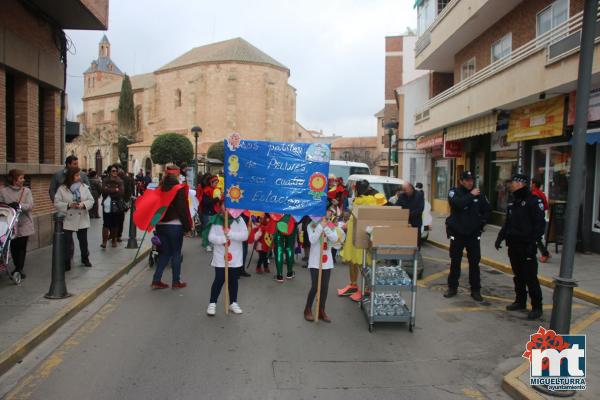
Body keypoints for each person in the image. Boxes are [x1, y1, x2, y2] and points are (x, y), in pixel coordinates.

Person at [495, 174, 546, 320]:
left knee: (530, 277)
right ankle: (520, 301)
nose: (511, 185)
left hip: (527, 246)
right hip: (514, 245)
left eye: (514, 182)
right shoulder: (513, 201)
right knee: (518, 276)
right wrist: (500, 237)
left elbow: (540, 225)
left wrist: (532, 243)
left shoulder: (534, 201)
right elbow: (508, 223)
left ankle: (537, 307)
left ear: (521, 183)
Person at [444, 171, 491, 302]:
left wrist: (482, 222)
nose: (470, 182)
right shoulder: (454, 192)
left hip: (473, 235)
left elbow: (487, 210)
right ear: (461, 181)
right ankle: (452, 287)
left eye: (472, 180)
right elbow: (458, 204)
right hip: (457, 234)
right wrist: (471, 195)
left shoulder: (479, 194)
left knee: (474, 263)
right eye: (467, 180)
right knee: (455, 262)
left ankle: (475, 290)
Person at [151, 165, 193, 290]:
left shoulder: (159, 188)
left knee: (164, 253)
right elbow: (182, 209)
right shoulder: (178, 188)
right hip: (175, 225)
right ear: (177, 174)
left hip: (160, 224)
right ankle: (176, 281)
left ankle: (156, 280)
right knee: (176, 253)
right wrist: (187, 227)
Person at [338, 180, 377, 301]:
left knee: (361, 262)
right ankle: (354, 285)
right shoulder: (369, 200)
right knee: (356, 261)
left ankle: (365, 289)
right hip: (357, 235)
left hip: (361, 236)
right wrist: (348, 223)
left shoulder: (365, 201)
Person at [206, 208, 249, 315]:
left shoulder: (239, 220)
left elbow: (245, 236)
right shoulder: (216, 219)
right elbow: (210, 237)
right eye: (224, 206)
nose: (226, 209)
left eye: (229, 207)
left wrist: (230, 234)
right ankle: (212, 303)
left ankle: (233, 302)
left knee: (233, 279)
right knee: (219, 279)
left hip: (235, 256)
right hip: (220, 256)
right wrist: (222, 239)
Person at [54, 167, 94, 269]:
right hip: (68, 218)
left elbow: (91, 200)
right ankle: (67, 262)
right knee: (67, 242)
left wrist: (82, 205)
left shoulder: (84, 187)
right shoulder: (62, 189)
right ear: (70, 177)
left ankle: (85, 258)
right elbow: (57, 202)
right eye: (76, 175)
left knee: (83, 241)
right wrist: (68, 205)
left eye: (79, 175)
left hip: (82, 217)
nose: (79, 177)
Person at [304, 216, 339, 322]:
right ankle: (308, 309)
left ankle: (321, 310)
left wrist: (326, 227)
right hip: (315, 261)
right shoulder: (311, 225)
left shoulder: (331, 225)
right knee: (315, 286)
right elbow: (312, 240)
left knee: (324, 287)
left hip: (327, 262)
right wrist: (320, 227)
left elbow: (334, 238)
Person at [0, 169, 34, 279]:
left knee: (22, 246)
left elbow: (30, 206)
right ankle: (17, 266)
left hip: (24, 222)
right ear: (14, 179)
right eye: (21, 178)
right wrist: (9, 206)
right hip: (10, 224)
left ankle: (19, 269)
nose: (23, 180)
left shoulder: (26, 191)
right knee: (14, 246)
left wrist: (19, 206)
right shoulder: (3, 191)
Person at [394, 182, 425, 249]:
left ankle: (416, 255)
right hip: (405, 222)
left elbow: (420, 209)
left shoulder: (419, 195)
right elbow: (397, 207)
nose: (404, 191)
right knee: (405, 241)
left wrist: (408, 214)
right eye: (403, 190)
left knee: (416, 241)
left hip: (416, 222)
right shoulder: (402, 196)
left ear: (411, 188)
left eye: (405, 190)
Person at [101, 165, 124, 248]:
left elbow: (121, 193)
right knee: (106, 223)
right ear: (109, 172)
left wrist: (109, 190)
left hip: (116, 204)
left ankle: (114, 240)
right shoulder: (105, 180)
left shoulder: (120, 181)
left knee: (115, 223)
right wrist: (115, 190)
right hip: (107, 204)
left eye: (116, 171)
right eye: (113, 171)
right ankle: (104, 242)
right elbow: (103, 190)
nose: (114, 172)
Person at [530, 178, 551, 263]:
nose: (530, 185)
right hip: (540, 218)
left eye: (531, 183)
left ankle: (545, 254)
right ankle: (546, 253)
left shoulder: (534, 194)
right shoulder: (541, 194)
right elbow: (546, 206)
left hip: (536, 220)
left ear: (534, 184)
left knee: (536, 238)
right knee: (537, 237)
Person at [273, 214, 297, 282]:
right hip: (292, 221)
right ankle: (289, 273)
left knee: (279, 248)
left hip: (278, 220)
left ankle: (279, 275)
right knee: (289, 248)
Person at [117, 168, 134, 242]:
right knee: (120, 219)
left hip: (117, 201)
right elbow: (130, 190)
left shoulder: (114, 178)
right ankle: (118, 235)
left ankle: (115, 234)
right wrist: (126, 201)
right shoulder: (127, 178)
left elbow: (130, 190)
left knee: (116, 219)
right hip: (122, 201)